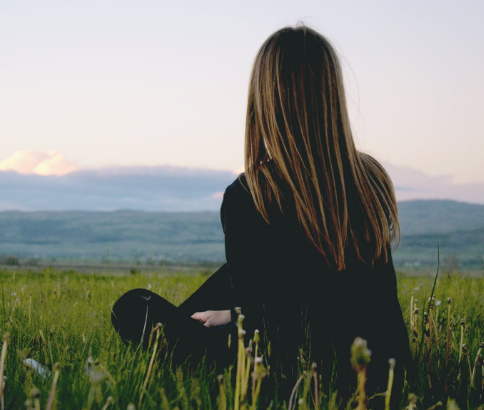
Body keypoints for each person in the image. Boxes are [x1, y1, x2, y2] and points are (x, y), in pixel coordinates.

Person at [111, 23, 411, 404]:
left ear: (266, 99)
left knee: (132, 308)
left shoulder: (251, 194)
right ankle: (210, 317)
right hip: (383, 372)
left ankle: (180, 340)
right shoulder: (371, 178)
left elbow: (270, 332)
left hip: (289, 376)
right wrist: (234, 311)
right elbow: (339, 292)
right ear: (331, 94)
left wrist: (237, 317)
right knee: (230, 278)